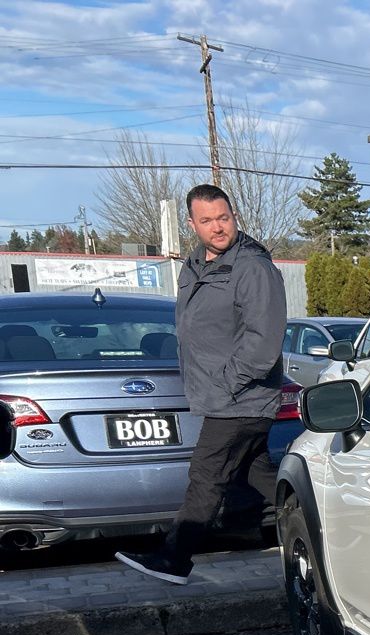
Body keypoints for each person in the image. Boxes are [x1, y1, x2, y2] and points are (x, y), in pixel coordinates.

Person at [117, 184, 287, 585]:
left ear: (234, 216)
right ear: (192, 223)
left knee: (205, 475)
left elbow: (263, 343)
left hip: (241, 397)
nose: (218, 227)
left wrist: (227, 385)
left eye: (223, 218)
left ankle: (175, 558)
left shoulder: (253, 267)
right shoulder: (194, 265)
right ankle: (320, 526)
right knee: (256, 473)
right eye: (207, 220)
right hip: (218, 396)